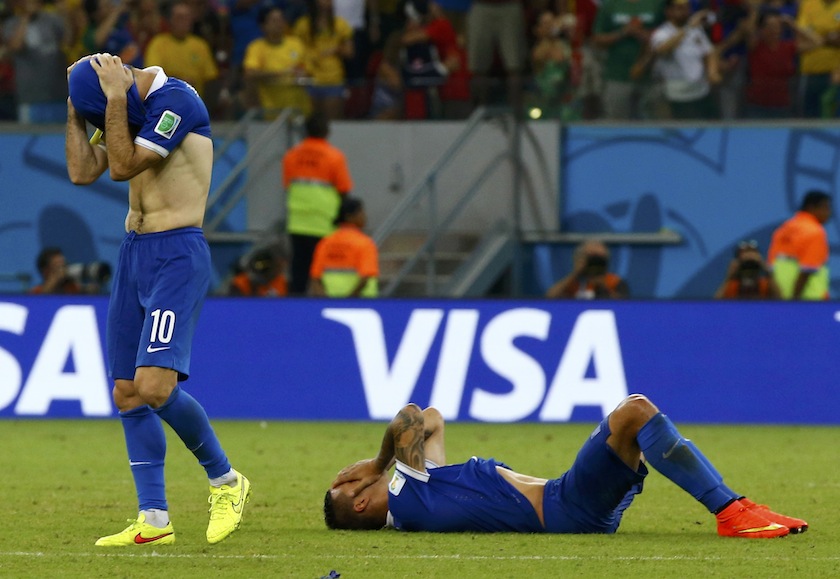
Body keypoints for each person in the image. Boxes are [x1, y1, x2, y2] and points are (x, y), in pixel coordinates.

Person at [65, 52, 251, 546]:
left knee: (153, 385)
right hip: (134, 254)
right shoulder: (121, 106)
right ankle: (154, 520)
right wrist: (75, 110)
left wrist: (108, 101)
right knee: (126, 390)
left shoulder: (177, 101)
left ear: (122, 78)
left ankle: (227, 482)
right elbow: (84, 172)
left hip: (177, 255)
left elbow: (122, 166)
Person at [325, 395, 808, 538]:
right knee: (633, 413)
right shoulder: (408, 492)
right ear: (363, 501)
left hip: (569, 506)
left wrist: (384, 462)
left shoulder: (420, 493)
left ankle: (739, 507)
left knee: (634, 424)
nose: (354, 475)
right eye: (350, 484)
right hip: (566, 506)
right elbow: (411, 415)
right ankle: (731, 511)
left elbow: (430, 419)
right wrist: (377, 459)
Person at [282, 112, 353, 295]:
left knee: (298, 271)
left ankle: (294, 311)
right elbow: (344, 190)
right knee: (322, 272)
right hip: (324, 222)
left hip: (297, 222)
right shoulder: (334, 157)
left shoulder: (291, 156)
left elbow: (289, 185)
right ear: (327, 132)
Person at [591, 0, 664, 120]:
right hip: (617, 75)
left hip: (650, 76)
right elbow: (597, 39)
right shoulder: (610, 4)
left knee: (654, 124)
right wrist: (623, 32)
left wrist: (640, 33)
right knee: (616, 123)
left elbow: (668, 32)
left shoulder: (657, 3)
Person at [650, 0, 721, 120]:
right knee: (685, 131)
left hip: (701, 92)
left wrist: (712, 71)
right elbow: (662, 50)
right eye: (679, 8)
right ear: (669, 12)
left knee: (712, 128)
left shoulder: (696, 30)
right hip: (677, 95)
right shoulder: (662, 33)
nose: (685, 11)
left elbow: (709, 52)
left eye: (686, 8)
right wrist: (688, 27)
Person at [2, 0, 71, 123]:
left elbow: (68, 41)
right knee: (31, 138)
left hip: (58, 94)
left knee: (63, 138)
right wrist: (26, 17)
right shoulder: (11, 24)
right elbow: (16, 46)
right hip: (30, 97)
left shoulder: (52, 19)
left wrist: (65, 15)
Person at [242, 5, 311, 119]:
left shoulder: (296, 44)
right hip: (270, 111)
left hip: (298, 110)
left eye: (281, 19)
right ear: (263, 26)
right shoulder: (256, 47)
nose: (279, 24)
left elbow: (308, 69)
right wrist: (282, 73)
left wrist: (303, 73)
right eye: (274, 20)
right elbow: (250, 73)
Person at [143, 1, 219, 98]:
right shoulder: (158, 43)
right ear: (170, 20)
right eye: (179, 18)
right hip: (166, 100)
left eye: (187, 18)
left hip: (194, 101)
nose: (183, 22)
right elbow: (152, 75)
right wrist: (180, 82)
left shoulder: (200, 45)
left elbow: (210, 78)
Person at [767, 190, 833, 300]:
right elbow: (807, 269)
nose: (829, 213)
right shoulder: (815, 232)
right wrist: (795, 302)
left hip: (779, 299)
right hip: (808, 301)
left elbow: (772, 268)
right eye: (825, 208)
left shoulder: (784, 229)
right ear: (811, 207)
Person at [309, 196, 379, 297]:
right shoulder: (364, 243)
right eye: (361, 212)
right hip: (362, 303)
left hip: (331, 303)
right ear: (349, 216)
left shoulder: (325, 243)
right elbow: (366, 277)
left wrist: (325, 301)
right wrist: (347, 301)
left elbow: (315, 278)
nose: (365, 216)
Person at [545, 240, 629, 299]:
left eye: (599, 259)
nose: (595, 262)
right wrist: (575, 273)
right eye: (591, 258)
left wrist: (602, 285)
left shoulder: (614, 282)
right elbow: (550, 298)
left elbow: (623, 306)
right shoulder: (572, 283)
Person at [714, 240, 781, 299]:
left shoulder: (764, 284)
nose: (749, 263)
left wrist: (768, 272)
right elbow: (715, 305)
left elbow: (780, 301)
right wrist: (729, 277)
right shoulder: (733, 285)